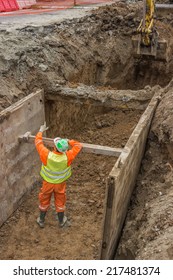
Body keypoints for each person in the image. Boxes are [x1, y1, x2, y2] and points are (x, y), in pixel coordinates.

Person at [35, 122, 82, 228]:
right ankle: (61, 221)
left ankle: (41, 220)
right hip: (60, 184)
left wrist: (40, 131)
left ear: (55, 147)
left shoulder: (47, 155)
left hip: (47, 183)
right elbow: (78, 145)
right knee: (60, 200)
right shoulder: (68, 156)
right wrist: (69, 141)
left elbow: (38, 142)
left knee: (44, 199)